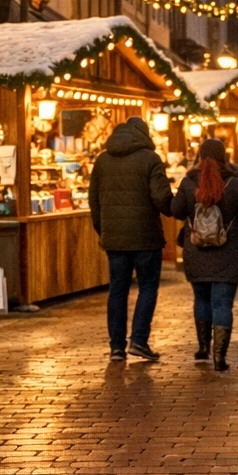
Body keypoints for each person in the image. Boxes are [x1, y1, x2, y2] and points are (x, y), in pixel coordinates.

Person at [171, 138, 238, 371]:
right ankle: (220, 357)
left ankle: (203, 348)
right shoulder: (235, 185)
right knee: (222, 304)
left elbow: (175, 211)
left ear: (200, 156)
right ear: (224, 156)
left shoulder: (188, 182)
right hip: (228, 254)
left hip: (196, 252)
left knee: (201, 299)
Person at [88, 116, 173, 361]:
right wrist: (175, 208)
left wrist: (103, 229)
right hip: (146, 237)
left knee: (117, 290)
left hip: (114, 239)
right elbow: (161, 198)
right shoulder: (150, 159)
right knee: (147, 287)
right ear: (144, 134)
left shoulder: (102, 160)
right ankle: (138, 340)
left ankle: (116, 346)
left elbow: (93, 200)